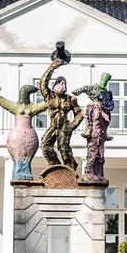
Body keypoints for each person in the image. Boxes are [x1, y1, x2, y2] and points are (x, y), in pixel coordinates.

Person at [38, 42, 84, 170]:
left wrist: (72, 125)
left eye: (65, 84)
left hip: (64, 126)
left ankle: (70, 168)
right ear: (55, 85)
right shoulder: (50, 96)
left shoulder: (70, 99)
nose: (63, 86)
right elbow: (42, 82)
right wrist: (52, 67)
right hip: (53, 126)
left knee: (63, 148)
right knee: (45, 145)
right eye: (60, 83)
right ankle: (55, 167)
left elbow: (80, 113)